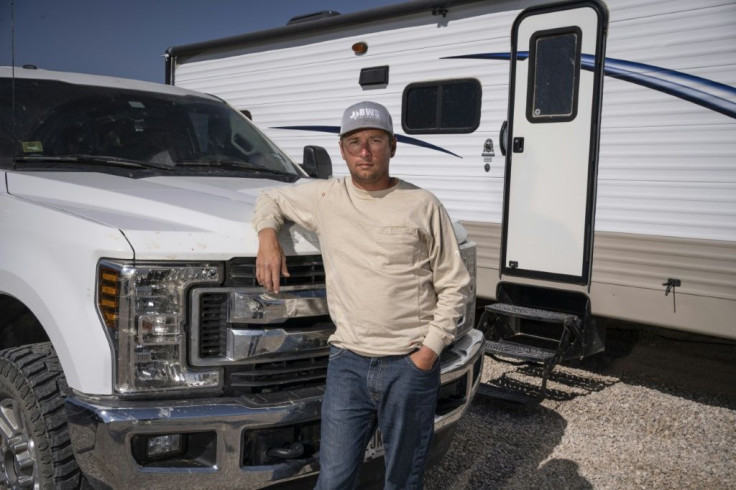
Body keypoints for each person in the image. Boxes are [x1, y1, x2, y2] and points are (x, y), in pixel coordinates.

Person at [253, 101, 470, 490]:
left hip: (409, 363)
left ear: (392, 146)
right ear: (342, 150)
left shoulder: (423, 205)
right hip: (347, 364)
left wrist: (428, 352)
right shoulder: (326, 198)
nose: (364, 151)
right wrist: (268, 237)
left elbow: (455, 284)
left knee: (402, 479)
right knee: (334, 479)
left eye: (375, 140)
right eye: (354, 142)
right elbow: (270, 197)